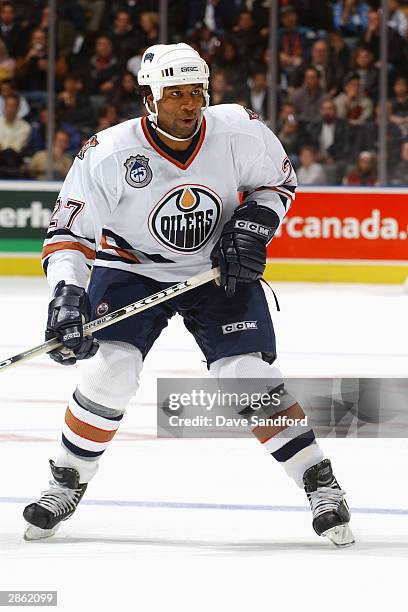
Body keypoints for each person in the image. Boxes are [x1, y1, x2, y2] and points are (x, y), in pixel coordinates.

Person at [23, 43, 354, 547]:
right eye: (173, 93)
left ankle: (320, 482)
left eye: (195, 92)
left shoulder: (239, 130)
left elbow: (276, 183)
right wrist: (68, 296)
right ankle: (65, 481)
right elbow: (70, 234)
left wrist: (252, 226)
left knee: (246, 375)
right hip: (130, 267)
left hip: (213, 268)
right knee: (111, 369)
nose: (187, 104)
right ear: (148, 99)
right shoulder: (109, 152)